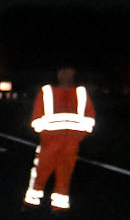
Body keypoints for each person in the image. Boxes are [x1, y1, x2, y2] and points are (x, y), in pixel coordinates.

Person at [25, 66, 95, 210]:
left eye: (69, 71)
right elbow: (37, 118)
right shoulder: (47, 92)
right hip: (50, 142)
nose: (66, 74)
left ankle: (59, 205)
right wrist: (46, 136)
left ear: (74, 73)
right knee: (41, 171)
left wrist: (78, 137)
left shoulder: (81, 93)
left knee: (65, 173)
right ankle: (32, 202)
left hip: (71, 143)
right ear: (58, 73)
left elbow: (90, 117)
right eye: (63, 71)